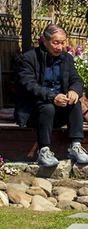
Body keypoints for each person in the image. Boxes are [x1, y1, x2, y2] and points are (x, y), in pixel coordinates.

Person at [14, 24, 88, 167]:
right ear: (44, 41)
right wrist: (52, 97)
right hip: (34, 112)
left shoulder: (67, 58)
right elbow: (28, 84)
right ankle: (44, 151)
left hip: (59, 113)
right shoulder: (29, 58)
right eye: (55, 43)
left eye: (63, 42)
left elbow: (77, 80)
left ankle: (76, 146)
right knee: (47, 107)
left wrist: (74, 91)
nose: (60, 47)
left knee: (75, 102)